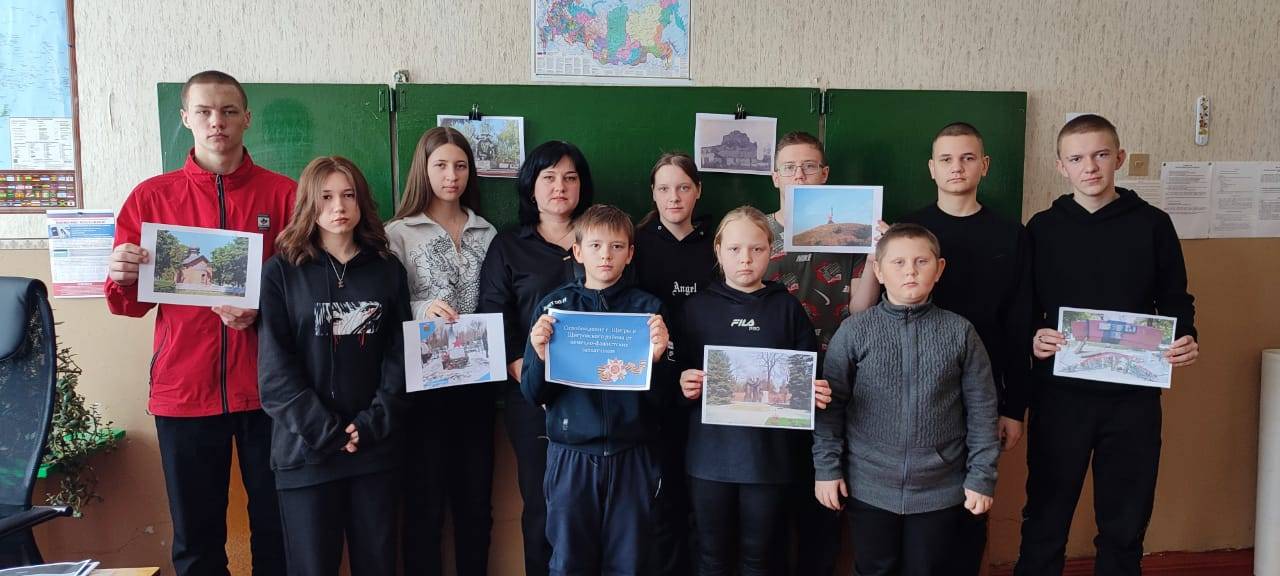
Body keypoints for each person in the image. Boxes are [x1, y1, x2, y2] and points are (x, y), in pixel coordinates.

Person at [105, 70, 292, 576]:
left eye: (228, 111)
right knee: (196, 540)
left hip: (269, 392)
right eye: (205, 111)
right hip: (184, 391)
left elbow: (306, 295)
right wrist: (120, 275)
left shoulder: (284, 196)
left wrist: (261, 312)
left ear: (247, 118)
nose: (217, 122)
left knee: (278, 530)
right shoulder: (151, 198)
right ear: (185, 117)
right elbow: (127, 306)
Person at [1015, 114, 1199, 576]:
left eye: (1100, 155)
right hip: (1060, 396)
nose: (1090, 167)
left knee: (1125, 521)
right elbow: (1025, 306)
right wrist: (1034, 335)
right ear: (1061, 166)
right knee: (1045, 516)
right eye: (1077, 158)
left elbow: (1175, 298)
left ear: (1118, 158)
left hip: (1133, 399)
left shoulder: (1153, 224)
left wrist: (1185, 336)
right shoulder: (1042, 227)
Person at [815, 223, 1000, 576]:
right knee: (874, 569)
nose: (910, 271)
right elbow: (830, 408)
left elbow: (982, 411)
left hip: (940, 490)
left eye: (921, 261)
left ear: (939, 268)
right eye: (898, 262)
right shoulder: (854, 331)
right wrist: (826, 469)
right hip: (869, 486)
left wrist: (981, 477)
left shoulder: (960, 332)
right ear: (879, 271)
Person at [257, 156, 410, 576]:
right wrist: (328, 432)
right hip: (305, 455)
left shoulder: (387, 270)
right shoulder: (281, 272)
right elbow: (275, 373)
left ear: (361, 202)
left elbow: (400, 359)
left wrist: (371, 424)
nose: (338, 207)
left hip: (374, 450)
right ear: (309, 203)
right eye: (325, 197)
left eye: (348, 195)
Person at [897, 121, 1033, 574]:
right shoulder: (908, 231)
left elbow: (1019, 326)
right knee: (914, 518)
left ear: (985, 165)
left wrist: (1013, 408)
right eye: (947, 159)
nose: (957, 167)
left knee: (971, 509)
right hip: (917, 391)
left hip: (982, 395)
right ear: (931, 168)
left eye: (968, 158)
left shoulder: (1011, 234)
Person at [675, 206, 833, 576]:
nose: (745, 258)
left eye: (756, 249)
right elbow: (671, 379)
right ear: (718, 250)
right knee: (711, 558)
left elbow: (808, 378)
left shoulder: (788, 308)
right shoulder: (695, 309)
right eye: (734, 249)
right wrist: (682, 383)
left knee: (761, 559)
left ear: (770, 251)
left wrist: (815, 392)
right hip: (709, 459)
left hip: (769, 461)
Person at [521, 204, 671, 576]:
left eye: (617, 246)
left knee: (630, 563)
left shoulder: (648, 311)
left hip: (631, 455)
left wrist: (656, 361)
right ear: (578, 251)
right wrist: (539, 355)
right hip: (571, 455)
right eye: (596, 245)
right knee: (570, 562)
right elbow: (533, 394)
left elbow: (665, 401)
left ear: (630, 253)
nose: (606, 255)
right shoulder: (554, 309)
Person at [476, 140, 595, 576]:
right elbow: (494, 315)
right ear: (531, 186)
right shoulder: (508, 245)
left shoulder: (601, 239)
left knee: (592, 506)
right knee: (542, 504)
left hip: (597, 396)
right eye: (549, 177)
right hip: (532, 399)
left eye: (570, 177)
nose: (559, 186)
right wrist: (526, 372)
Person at [765, 131, 879, 574]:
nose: (800, 175)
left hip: (835, 381)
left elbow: (862, 309)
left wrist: (876, 252)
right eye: (790, 167)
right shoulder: (757, 232)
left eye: (809, 166)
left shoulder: (850, 232)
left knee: (824, 503)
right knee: (771, 505)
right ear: (775, 176)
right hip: (771, 382)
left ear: (825, 174)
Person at [386, 127, 497, 576]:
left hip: (477, 384)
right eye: (441, 165)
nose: (452, 176)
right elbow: (386, 305)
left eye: (461, 166)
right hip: (423, 387)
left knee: (476, 506)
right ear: (423, 169)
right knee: (424, 506)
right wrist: (422, 309)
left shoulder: (487, 231)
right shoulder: (399, 233)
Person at [631, 152, 716, 575]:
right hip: (655, 388)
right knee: (661, 500)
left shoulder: (718, 243)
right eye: (664, 188)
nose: (674, 197)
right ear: (653, 193)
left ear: (698, 190)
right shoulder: (635, 244)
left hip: (710, 386)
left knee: (704, 502)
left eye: (683, 187)